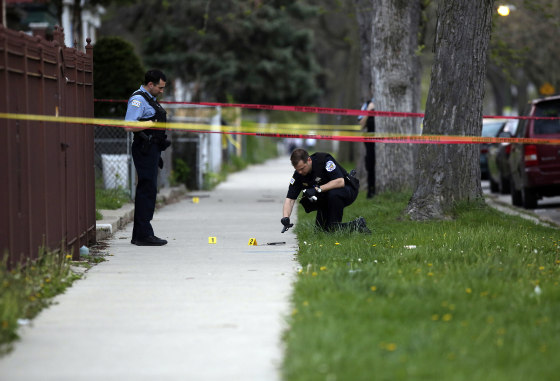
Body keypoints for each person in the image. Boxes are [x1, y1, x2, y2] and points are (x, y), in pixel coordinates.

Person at [125, 69, 171, 246]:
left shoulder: (150, 99)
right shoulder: (138, 100)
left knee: (149, 189)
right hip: (144, 149)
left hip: (152, 149)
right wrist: (150, 124)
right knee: (146, 189)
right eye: (160, 87)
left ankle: (141, 233)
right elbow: (129, 125)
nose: (162, 91)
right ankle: (143, 235)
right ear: (150, 84)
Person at [281, 149, 371, 233]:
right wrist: (286, 217)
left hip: (346, 190)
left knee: (332, 226)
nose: (300, 172)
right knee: (320, 231)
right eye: (297, 169)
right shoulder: (298, 175)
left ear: (309, 160)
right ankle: (358, 224)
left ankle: (338, 226)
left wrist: (317, 189)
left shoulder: (323, 160)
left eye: (302, 168)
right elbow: (290, 199)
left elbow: (340, 181)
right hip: (326, 197)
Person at [358, 97, 376, 198]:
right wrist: (369, 110)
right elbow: (361, 125)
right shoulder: (367, 104)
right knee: (370, 164)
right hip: (370, 140)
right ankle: (371, 190)